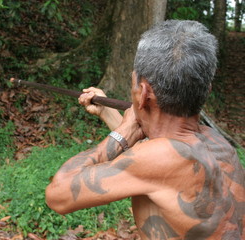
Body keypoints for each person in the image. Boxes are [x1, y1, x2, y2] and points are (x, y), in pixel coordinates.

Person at [45, 20, 245, 240]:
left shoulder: (161, 157)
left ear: (143, 93)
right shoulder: (220, 146)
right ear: (206, 90)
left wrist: (123, 131)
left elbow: (58, 194)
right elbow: (154, 160)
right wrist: (108, 114)